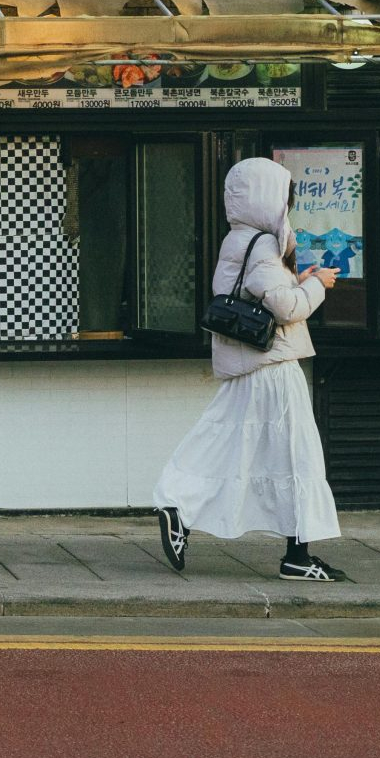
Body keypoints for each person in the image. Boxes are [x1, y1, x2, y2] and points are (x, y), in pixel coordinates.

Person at [151, 156, 348, 581]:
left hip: (251, 365)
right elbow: (284, 307)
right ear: (266, 197)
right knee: (297, 457)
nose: (287, 205)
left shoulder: (239, 239)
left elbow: (258, 293)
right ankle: (297, 558)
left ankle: (179, 508)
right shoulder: (263, 244)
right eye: (284, 196)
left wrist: (298, 279)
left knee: (225, 442)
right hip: (274, 367)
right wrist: (316, 285)